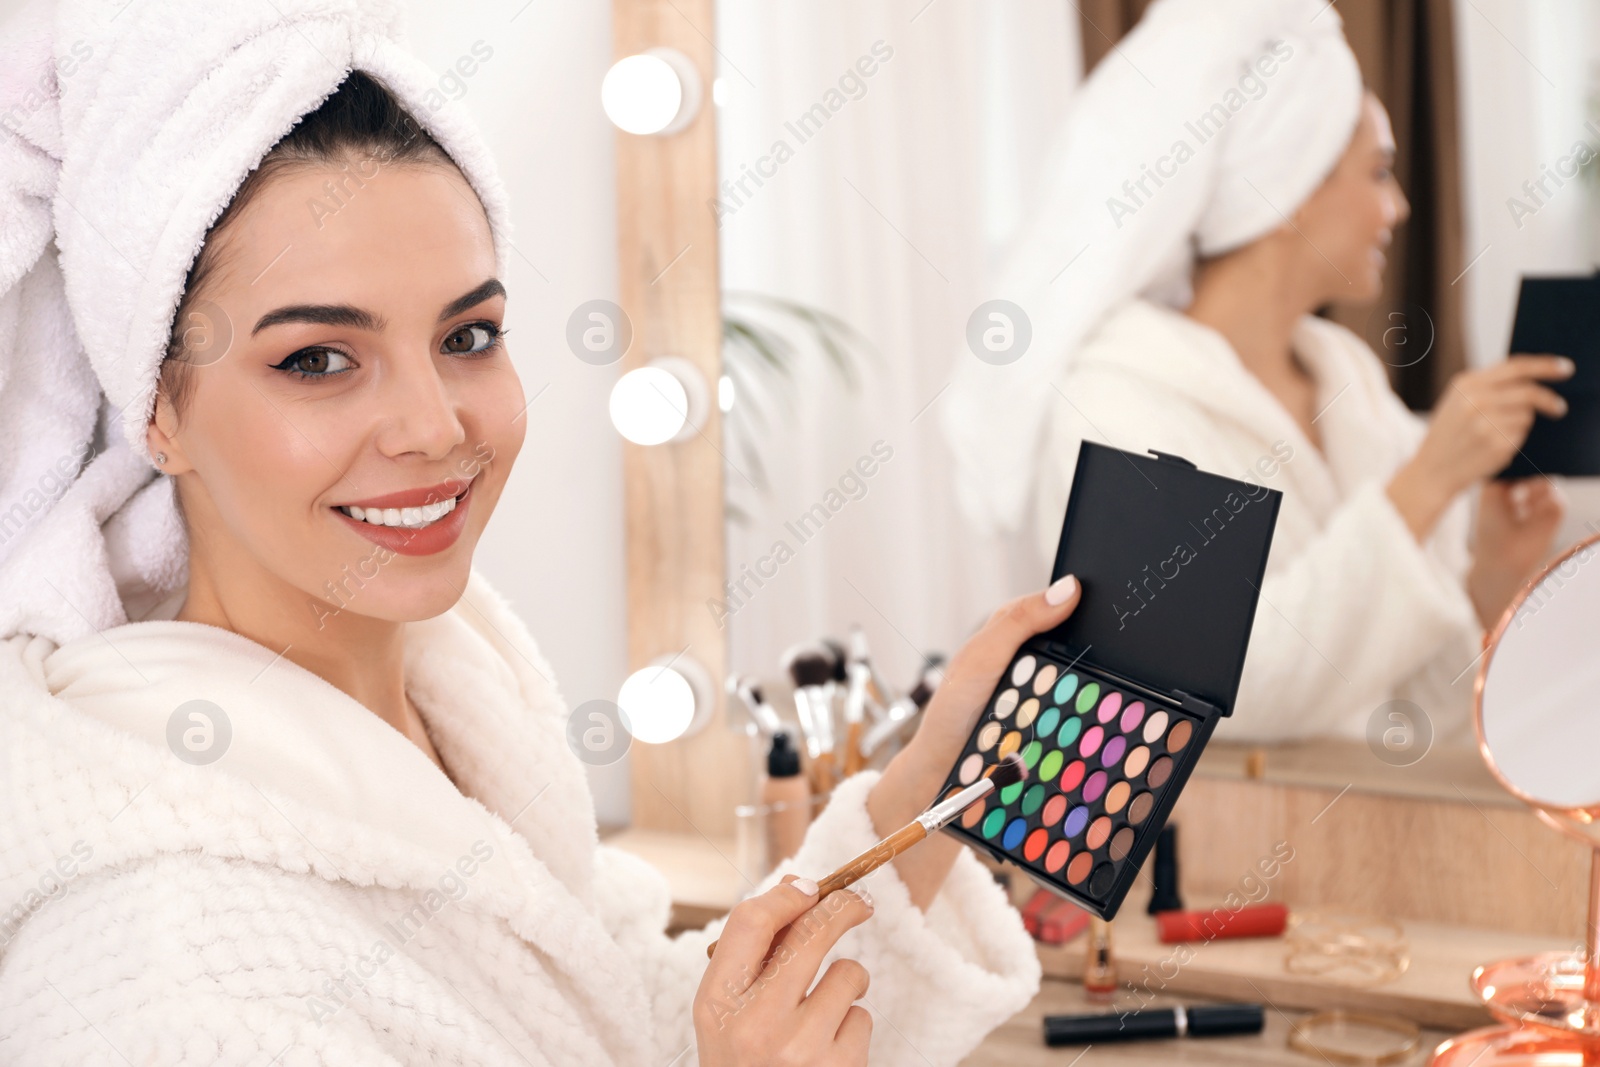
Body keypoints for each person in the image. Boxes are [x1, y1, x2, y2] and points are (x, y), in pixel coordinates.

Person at [0, 4, 1058, 1064]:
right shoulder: (160, 964)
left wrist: (931, 782)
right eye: (318, 359)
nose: (433, 426)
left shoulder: (467, 701)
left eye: (468, 336)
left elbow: (618, 1022)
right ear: (159, 409)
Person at [941, 0, 1567, 745]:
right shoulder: (1117, 400)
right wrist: (1426, 483)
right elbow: (1228, 694)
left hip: (1390, 832)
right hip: (1227, 845)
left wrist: (1494, 571)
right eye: (1377, 171)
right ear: (1290, 187)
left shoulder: (1352, 381)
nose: (1397, 207)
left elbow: (1416, 707)